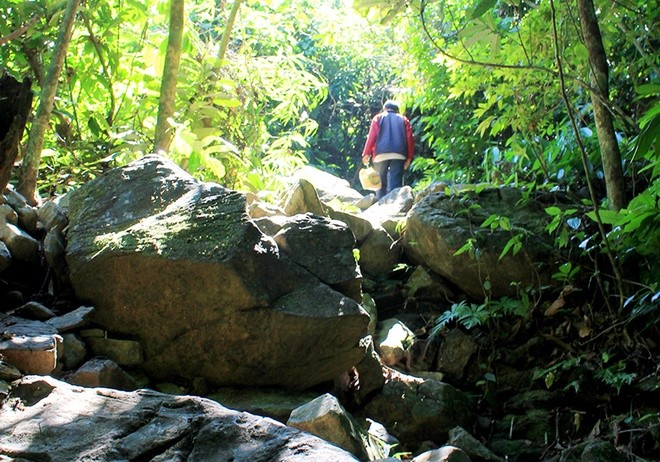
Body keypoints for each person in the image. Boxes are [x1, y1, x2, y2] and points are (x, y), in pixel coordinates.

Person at [361, 100, 414, 199]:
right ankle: (395, 206)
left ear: (385, 108)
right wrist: (409, 157)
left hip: (380, 154)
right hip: (399, 154)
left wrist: (366, 153)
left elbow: (372, 136)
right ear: (397, 110)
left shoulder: (378, 118)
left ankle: (380, 206)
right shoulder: (404, 119)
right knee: (396, 183)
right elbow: (410, 138)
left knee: (379, 183)